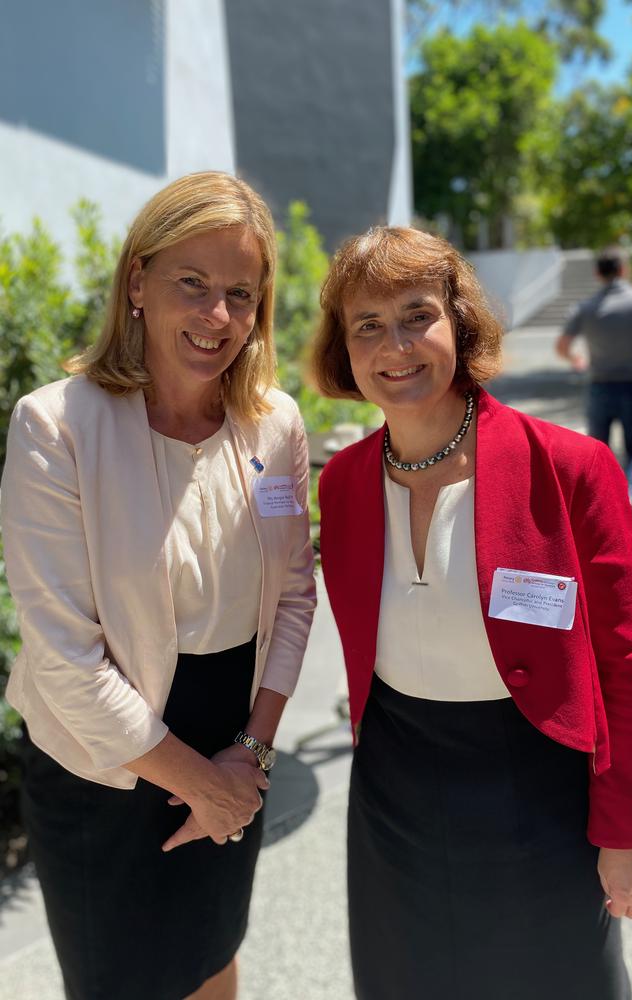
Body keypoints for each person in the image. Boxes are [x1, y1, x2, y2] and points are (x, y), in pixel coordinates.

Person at [1, 171, 316, 1000]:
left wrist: (249, 754)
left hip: (235, 743)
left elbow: (292, 595)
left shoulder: (275, 422)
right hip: (104, 765)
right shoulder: (56, 426)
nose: (218, 317)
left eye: (240, 294)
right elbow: (65, 656)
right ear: (137, 282)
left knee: (213, 957)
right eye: (193, 284)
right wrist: (202, 784)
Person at [312, 226, 632, 1000]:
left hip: (540, 788)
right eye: (368, 325)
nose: (394, 345)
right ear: (345, 348)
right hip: (396, 788)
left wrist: (629, 828)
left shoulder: (571, 468)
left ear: (459, 325)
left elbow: (625, 667)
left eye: (415, 314)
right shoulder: (344, 484)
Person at [555, 249, 632, 536]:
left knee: (598, 451)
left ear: (598, 273)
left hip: (600, 385)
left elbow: (562, 345)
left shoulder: (587, 307)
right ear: (624, 270)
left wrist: (577, 360)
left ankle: (603, 511)